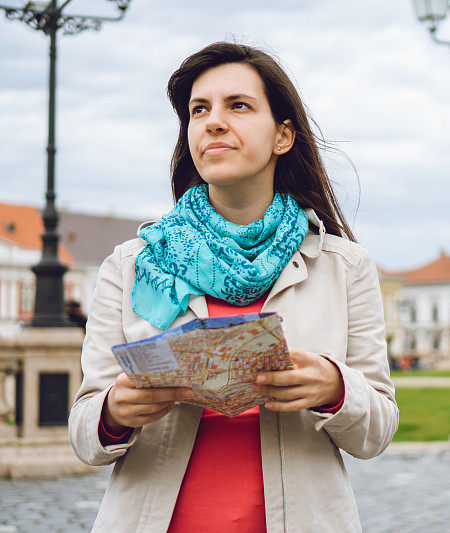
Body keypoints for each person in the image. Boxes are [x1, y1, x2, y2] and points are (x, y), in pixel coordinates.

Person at [68, 42, 398, 532]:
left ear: (283, 135)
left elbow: (376, 432)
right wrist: (114, 410)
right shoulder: (133, 263)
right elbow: (83, 432)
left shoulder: (344, 266)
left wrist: (334, 387)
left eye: (238, 106)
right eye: (199, 110)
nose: (213, 122)